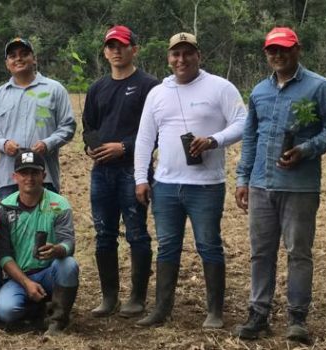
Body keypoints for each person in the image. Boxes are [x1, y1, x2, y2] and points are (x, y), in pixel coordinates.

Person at [234, 27, 326, 344]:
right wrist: (243, 178)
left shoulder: (319, 87)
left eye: (284, 49)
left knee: (298, 253)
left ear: (297, 49)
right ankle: (258, 313)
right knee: (260, 252)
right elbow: (251, 139)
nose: (277, 54)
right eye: (272, 49)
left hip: (299, 186)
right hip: (261, 184)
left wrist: (307, 149)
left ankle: (297, 317)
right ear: (266, 53)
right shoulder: (258, 91)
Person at [133, 32, 247, 328]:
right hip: (166, 185)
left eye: (187, 53)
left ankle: (215, 311)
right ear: (169, 58)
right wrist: (140, 178)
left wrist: (213, 140)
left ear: (199, 55)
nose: (181, 60)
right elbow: (145, 138)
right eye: (175, 54)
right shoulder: (158, 93)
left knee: (208, 245)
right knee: (167, 246)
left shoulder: (220, 87)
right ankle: (161, 309)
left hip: (206, 185)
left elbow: (243, 123)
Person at [81, 25, 159, 318]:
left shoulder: (149, 86)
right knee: (103, 233)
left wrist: (124, 147)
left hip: (132, 171)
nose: (116, 51)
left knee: (137, 234)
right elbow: (89, 126)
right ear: (105, 52)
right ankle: (109, 296)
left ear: (133, 49)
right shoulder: (97, 87)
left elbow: (156, 131)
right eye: (111, 46)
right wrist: (90, 147)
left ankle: (137, 297)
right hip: (101, 171)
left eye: (122, 45)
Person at [0, 150, 79, 336]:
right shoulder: (5, 208)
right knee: (5, 310)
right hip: (19, 275)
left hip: (49, 272)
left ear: (44, 175)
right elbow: (3, 254)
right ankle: (39, 311)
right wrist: (26, 283)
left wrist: (58, 249)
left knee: (69, 265)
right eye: (24, 173)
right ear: (14, 177)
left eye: (34, 173)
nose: (29, 178)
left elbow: (69, 243)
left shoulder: (59, 204)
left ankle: (58, 320)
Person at [0, 37, 76, 199]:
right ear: (7, 63)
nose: (18, 58)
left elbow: (67, 126)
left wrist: (47, 144)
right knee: (10, 223)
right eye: (12, 56)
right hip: (10, 177)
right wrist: (4, 144)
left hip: (44, 176)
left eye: (24, 54)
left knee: (46, 223)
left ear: (34, 59)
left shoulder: (55, 90)